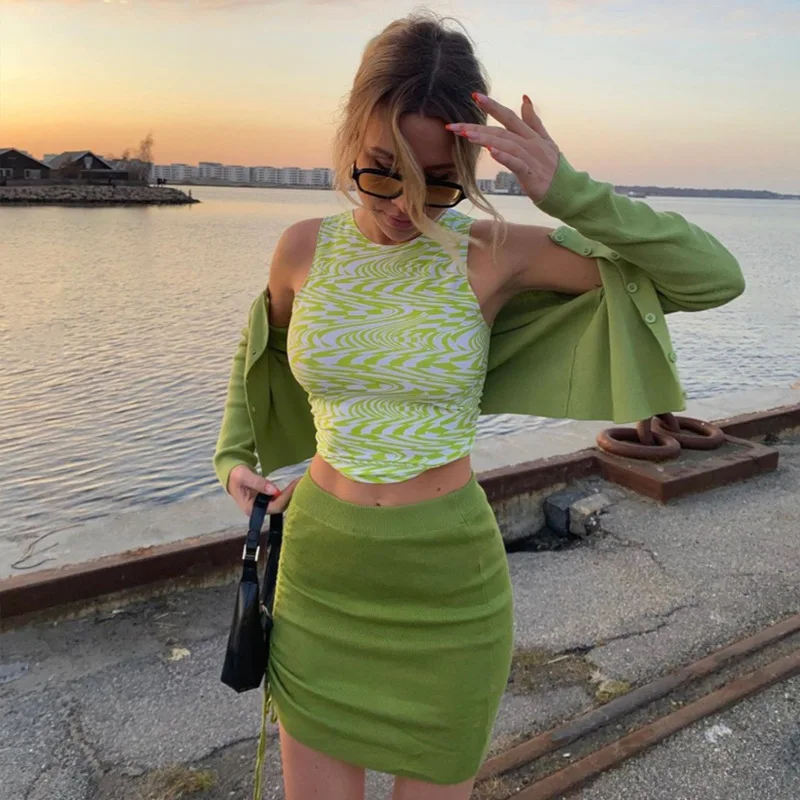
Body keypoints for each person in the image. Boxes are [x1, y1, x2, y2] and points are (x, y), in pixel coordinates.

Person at [213, 11, 744, 800]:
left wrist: (570, 192)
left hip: (448, 589)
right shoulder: (300, 249)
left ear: (469, 163)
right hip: (320, 576)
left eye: (437, 179)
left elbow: (712, 278)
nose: (405, 202)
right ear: (350, 136)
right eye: (382, 169)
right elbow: (259, 355)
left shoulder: (492, 252)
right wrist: (234, 459)